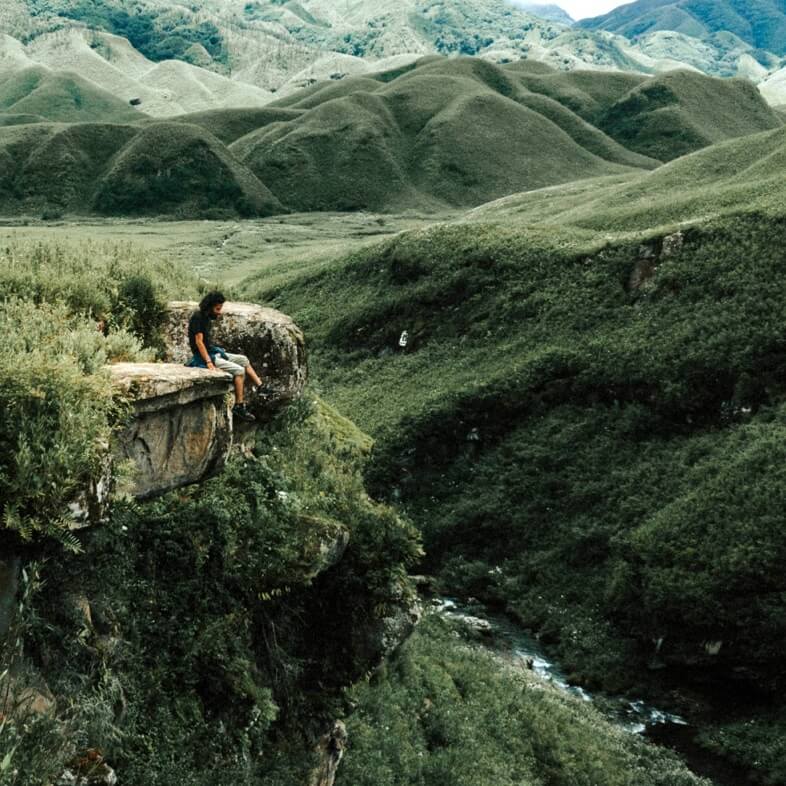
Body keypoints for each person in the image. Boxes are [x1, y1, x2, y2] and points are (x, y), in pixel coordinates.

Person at [187, 291, 265, 423]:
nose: (219, 312)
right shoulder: (198, 317)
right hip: (203, 356)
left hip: (211, 351)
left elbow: (205, 342)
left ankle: (261, 387)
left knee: (243, 360)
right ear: (210, 306)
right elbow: (199, 342)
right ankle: (239, 406)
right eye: (217, 309)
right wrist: (209, 362)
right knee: (239, 371)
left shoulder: (206, 318)